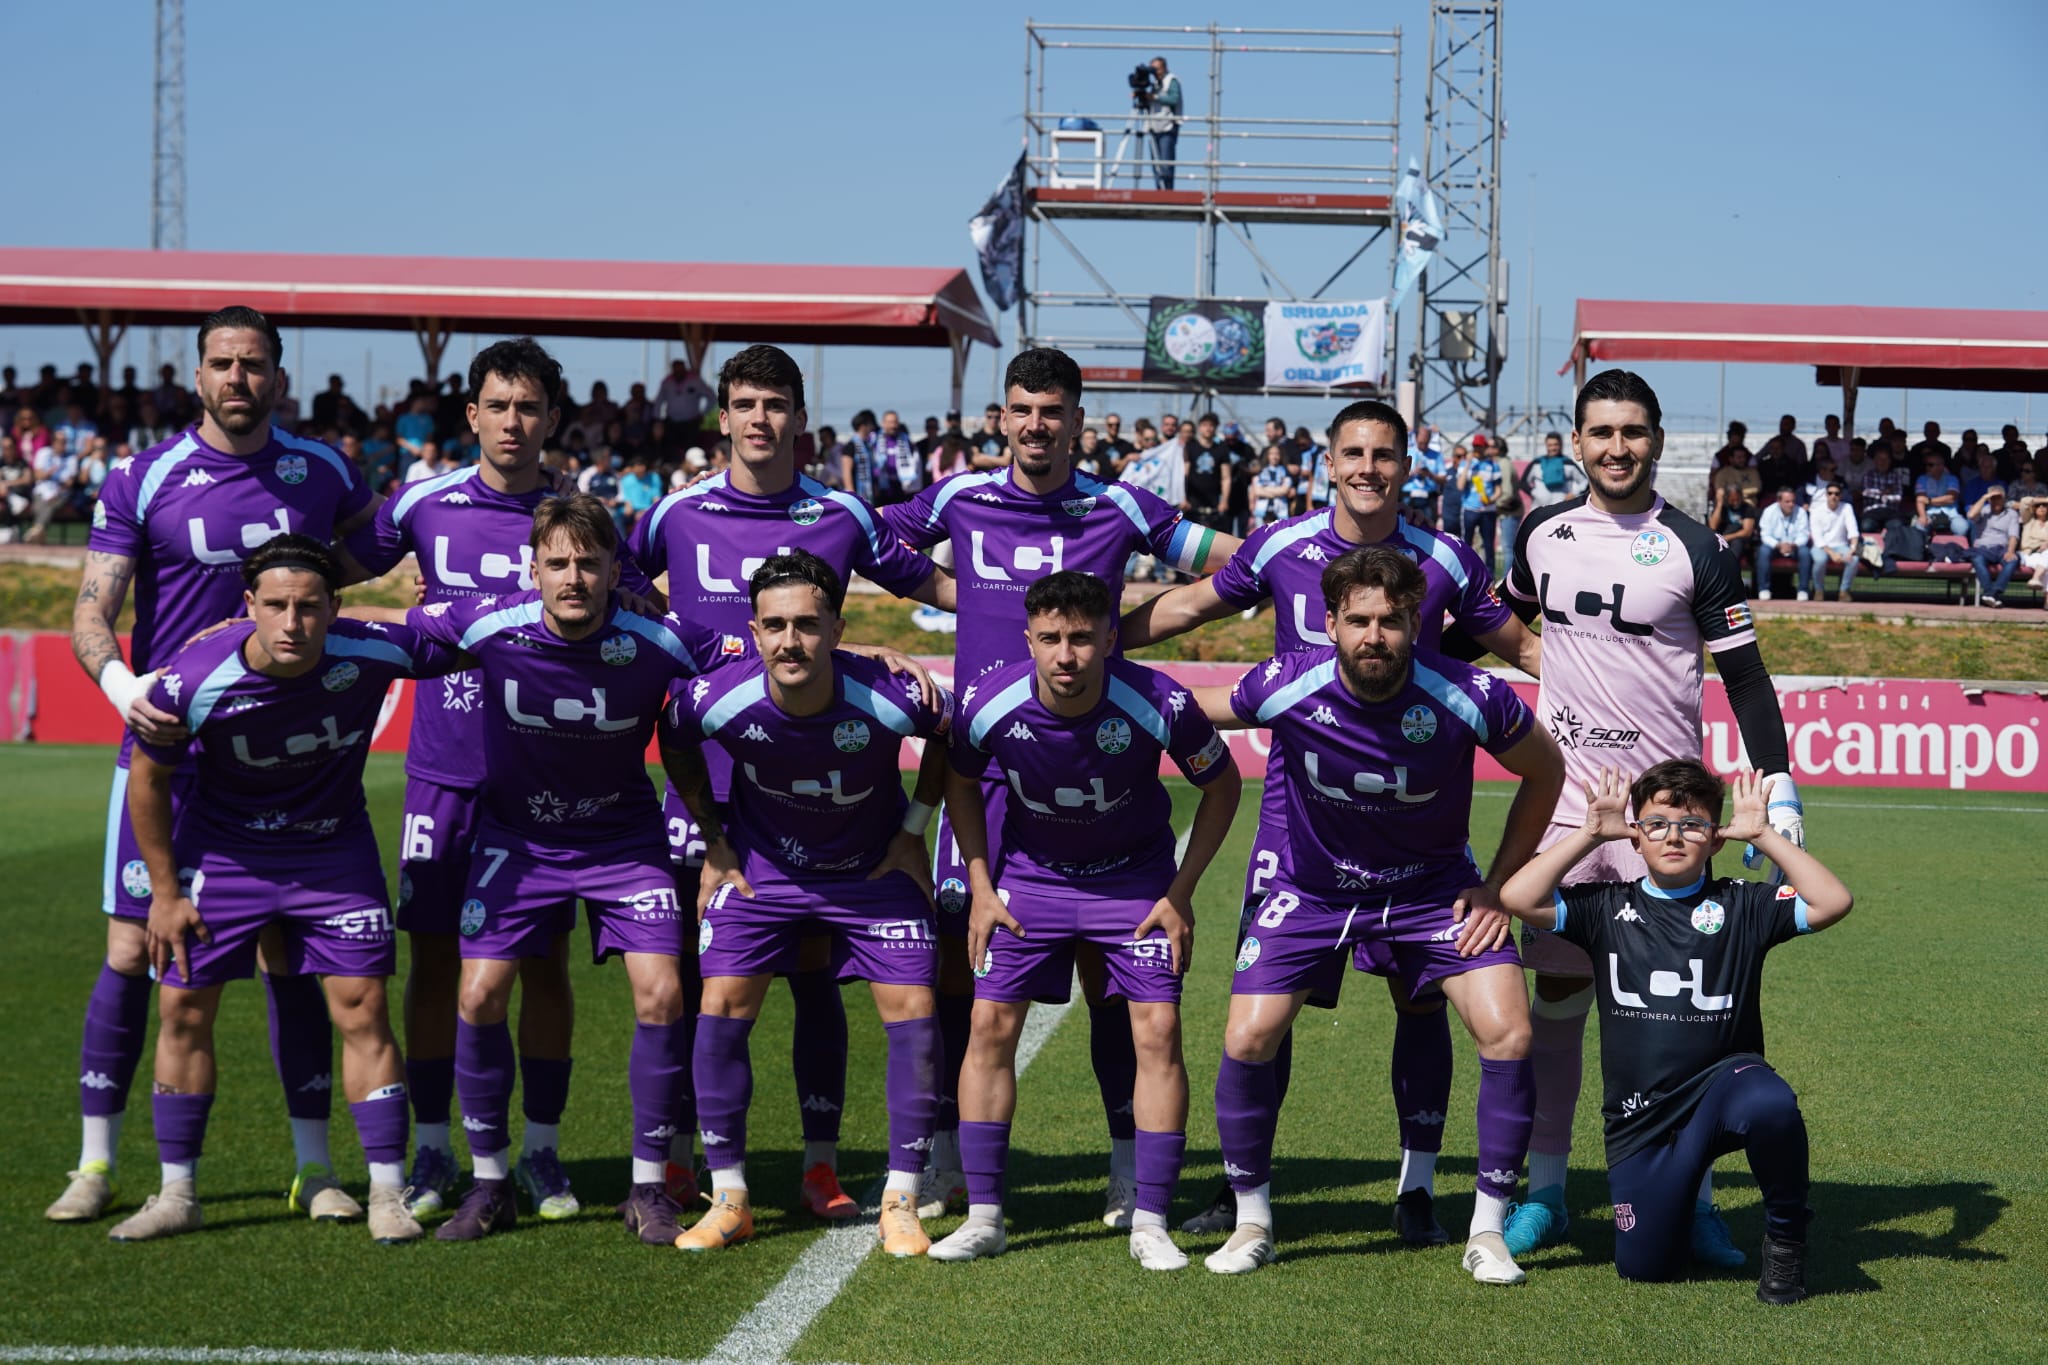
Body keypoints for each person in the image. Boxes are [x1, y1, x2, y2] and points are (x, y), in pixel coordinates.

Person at [1120, 398, 1543, 1243]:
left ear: (1407, 464)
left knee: (1422, 1002)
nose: (1368, 468)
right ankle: (1248, 1195)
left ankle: (1417, 1183)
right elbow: (1190, 606)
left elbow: (1525, 649)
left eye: (1384, 454)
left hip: (1421, 811)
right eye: (1353, 452)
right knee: (1262, 1018)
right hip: (1299, 818)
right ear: (1329, 460)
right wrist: (1099, 643)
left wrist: (1607, 695)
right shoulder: (1283, 545)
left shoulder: (1446, 559)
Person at [882, 348, 1240, 1224]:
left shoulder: (1117, 504)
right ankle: (942, 1160)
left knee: (1111, 980)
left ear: (1079, 420)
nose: (1036, 423)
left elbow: (1230, 564)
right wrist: (943, 593)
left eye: (1052, 410)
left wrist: (1130, 628)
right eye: (1021, 409)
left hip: (1090, 766)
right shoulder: (961, 498)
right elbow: (860, 535)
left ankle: (1127, 1162)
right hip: (981, 771)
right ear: (1001, 418)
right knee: (950, 971)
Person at [52, 305, 381, 1227]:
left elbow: (368, 551)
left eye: (254, 364)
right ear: (198, 375)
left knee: (290, 952)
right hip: (168, 752)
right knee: (132, 948)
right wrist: (122, 685)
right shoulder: (144, 476)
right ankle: (96, 1163)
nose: (238, 378)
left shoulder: (322, 471)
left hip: (281, 753)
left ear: (279, 377)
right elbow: (92, 606)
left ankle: (315, 1168)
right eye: (222, 363)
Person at [630, 345, 954, 1215]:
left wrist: (877, 653)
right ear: (723, 416)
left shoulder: (840, 513)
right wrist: (690, 651)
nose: (759, 419)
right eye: (744, 403)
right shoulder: (675, 512)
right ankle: (685, 1163)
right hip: (708, 782)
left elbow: (937, 584)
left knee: (818, 974)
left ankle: (819, 1165)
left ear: (799, 417)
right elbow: (609, 585)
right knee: (699, 980)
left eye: (776, 403)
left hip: (829, 782)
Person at [340, 338, 658, 1222]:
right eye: (497, 406)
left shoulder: (582, 523)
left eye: (529, 407)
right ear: (470, 415)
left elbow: (638, 609)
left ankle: (545, 1153)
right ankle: (438, 1147)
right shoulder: (422, 503)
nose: (513, 422)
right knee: (439, 959)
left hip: (546, 780)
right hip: (446, 773)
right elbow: (327, 573)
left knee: (544, 959)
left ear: (551, 419)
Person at [1189, 546, 1564, 1282]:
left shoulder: (1466, 692)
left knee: (1509, 1030)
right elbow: (1187, 711)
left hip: (1433, 891)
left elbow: (1545, 771)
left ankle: (1487, 1230)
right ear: (1328, 623)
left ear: (1416, 623)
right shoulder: (1285, 682)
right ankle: (1252, 1219)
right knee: (1248, 1033)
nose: (1375, 636)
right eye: (1358, 620)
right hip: (1315, 892)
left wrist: (1494, 886)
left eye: (1391, 621)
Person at [1499, 368, 1802, 1268]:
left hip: (1668, 822)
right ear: (1577, 440)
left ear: (1659, 441)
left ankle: (1697, 1200)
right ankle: (1547, 1192)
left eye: (1633, 432)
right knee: (1556, 1006)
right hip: (1568, 814)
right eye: (1601, 432)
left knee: (1681, 1024)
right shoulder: (1542, 533)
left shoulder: (1696, 547)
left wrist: (1779, 789)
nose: (1617, 448)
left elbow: (1744, 676)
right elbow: (1500, 621)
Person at [368, 495, 716, 1244]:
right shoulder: (491, 622)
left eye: (589, 562)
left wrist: (866, 660)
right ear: (533, 569)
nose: (574, 577)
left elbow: (760, 657)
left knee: (661, 991)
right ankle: (492, 1183)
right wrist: (258, 628)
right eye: (557, 562)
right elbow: (386, 640)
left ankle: (650, 1185)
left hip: (624, 842)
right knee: (480, 990)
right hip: (517, 842)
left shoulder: (658, 635)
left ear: (616, 569)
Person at [105, 535, 460, 1244]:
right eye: (276, 606)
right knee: (182, 1009)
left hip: (333, 853)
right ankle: (178, 1192)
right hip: (226, 857)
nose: (292, 623)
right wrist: (166, 894)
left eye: (307, 607)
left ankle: (387, 1192)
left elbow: (480, 634)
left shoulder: (371, 651)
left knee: (363, 1011)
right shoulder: (193, 676)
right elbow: (147, 779)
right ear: (249, 607)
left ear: (335, 606)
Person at [930, 570, 1241, 1268]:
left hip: (1133, 882)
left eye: (1079, 638)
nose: (1065, 654)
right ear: (1029, 640)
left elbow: (1222, 784)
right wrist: (980, 883)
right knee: (988, 1024)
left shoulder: (1160, 701)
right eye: (1050, 638)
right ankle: (985, 1214)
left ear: (1108, 639)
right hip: (1030, 881)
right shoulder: (989, 701)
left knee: (1156, 1028)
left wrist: (1182, 890)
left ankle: (1151, 1218)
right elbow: (959, 780)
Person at [664, 552, 954, 1256]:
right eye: (774, 626)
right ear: (754, 632)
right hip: (765, 871)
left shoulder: (891, 695)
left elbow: (948, 735)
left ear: (837, 628)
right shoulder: (718, 698)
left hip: (871, 869)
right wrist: (716, 840)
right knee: (721, 1004)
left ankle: (902, 1195)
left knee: (914, 1010)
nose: (790, 640)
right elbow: (676, 739)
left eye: (806, 624)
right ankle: (730, 1196)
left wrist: (915, 830)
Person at [1499, 763, 1853, 1302]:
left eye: (1692, 825)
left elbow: (1833, 901)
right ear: (1635, 836)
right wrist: (1590, 832)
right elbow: (1517, 898)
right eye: (1657, 823)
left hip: (1722, 1088)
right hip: (1640, 1119)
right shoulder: (1607, 906)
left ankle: (1785, 1243)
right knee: (1645, 1268)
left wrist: (1763, 835)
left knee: (1771, 1103)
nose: (1673, 835)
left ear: (1714, 839)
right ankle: (1679, 1209)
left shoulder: (1743, 904)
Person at [1962, 485, 2023, 606]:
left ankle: (1993, 592)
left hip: (2001, 547)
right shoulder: (1983, 510)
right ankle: (1991, 593)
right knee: (1977, 560)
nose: (1996, 501)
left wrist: (2010, 551)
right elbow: (1971, 515)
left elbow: (2013, 535)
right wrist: (1984, 497)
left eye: (1998, 497)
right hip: (1983, 547)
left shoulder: (2012, 514)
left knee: (2012, 561)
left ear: (2004, 498)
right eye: (1993, 498)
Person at [1755, 487, 1813, 601]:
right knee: (1763, 551)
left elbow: (1804, 535)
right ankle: (1763, 589)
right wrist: (1778, 545)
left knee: (1805, 552)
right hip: (1775, 546)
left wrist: (1793, 545)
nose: (1791, 504)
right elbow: (1765, 535)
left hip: (1794, 547)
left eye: (1792, 501)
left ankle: (1803, 590)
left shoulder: (1800, 512)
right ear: (1779, 501)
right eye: (1787, 502)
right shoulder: (1769, 511)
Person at [1807, 482, 1861, 601]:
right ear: (1825, 495)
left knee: (1854, 560)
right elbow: (1817, 537)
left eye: (1836, 494)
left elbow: (1853, 530)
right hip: (1821, 547)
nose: (1833, 496)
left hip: (1841, 545)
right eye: (1830, 493)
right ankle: (1818, 590)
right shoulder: (1816, 510)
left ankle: (1844, 591)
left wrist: (1853, 548)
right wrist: (1832, 553)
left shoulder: (1847, 508)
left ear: (1841, 496)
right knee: (1820, 560)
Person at [1459, 437, 1506, 572]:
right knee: (1466, 542)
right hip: (1470, 509)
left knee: (1488, 545)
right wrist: (1468, 463)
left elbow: (1499, 490)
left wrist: (1491, 499)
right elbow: (1460, 486)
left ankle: (1490, 576)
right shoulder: (1466, 464)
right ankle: (1466, 571)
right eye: (1475, 447)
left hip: (1488, 510)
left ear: (1485, 448)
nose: (1477, 450)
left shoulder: (1493, 465)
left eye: (1480, 447)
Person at [1146, 56, 1183, 190]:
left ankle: (1167, 191)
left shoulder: (1171, 80)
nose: (1156, 72)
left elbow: (1174, 99)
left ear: (1165, 68)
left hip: (1168, 126)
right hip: (1154, 127)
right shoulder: (1155, 84)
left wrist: (1154, 97)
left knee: (1166, 163)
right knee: (1156, 164)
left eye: (1158, 69)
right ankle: (1159, 190)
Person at [1914, 449, 1966, 535]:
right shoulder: (1921, 479)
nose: (1927, 467)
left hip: (1951, 514)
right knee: (1919, 527)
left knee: (1962, 528)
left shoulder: (1952, 479)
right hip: (1929, 514)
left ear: (1940, 466)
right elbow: (1920, 499)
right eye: (1926, 464)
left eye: (1931, 465)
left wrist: (1929, 501)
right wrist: (1923, 517)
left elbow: (1951, 498)